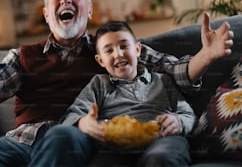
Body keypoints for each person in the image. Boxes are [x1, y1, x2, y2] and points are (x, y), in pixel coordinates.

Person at [0, 0, 233, 167]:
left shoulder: (109, 49)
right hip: (20, 143)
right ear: (47, 14)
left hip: (73, 140)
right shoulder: (23, 55)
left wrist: (207, 55)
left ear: (88, 9)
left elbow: (175, 71)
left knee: (61, 137)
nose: (66, 0)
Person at [61, 20, 197, 166]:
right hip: (117, 147)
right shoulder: (99, 84)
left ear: (137, 49)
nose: (118, 54)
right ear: (100, 60)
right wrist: (83, 122)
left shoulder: (163, 80)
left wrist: (178, 121)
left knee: (161, 158)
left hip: (162, 139)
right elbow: (71, 115)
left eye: (124, 46)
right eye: (109, 50)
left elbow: (188, 115)